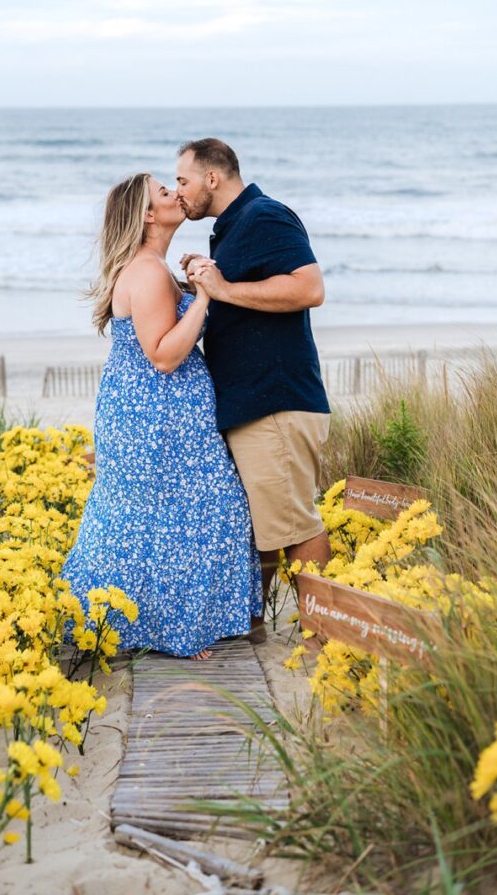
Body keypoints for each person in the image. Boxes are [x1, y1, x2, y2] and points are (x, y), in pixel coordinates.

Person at [61, 172, 262, 660]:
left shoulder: (154, 267)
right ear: (149, 215)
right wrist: (208, 297)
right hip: (154, 415)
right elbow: (164, 355)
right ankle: (174, 630)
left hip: (152, 413)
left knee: (155, 516)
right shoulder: (148, 272)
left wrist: (192, 283)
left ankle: (152, 624)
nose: (176, 193)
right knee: (195, 510)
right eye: (164, 192)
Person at [176, 138, 331, 643]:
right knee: (262, 528)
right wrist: (205, 287)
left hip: (276, 403)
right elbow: (240, 302)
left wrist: (222, 289)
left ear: (212, 178)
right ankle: (251, 623)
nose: (179, 193)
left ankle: (325, 645)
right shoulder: (231, 230)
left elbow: (309, 289)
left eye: (183, 181)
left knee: (295, 528)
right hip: (253, 405)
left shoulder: (264, 215)